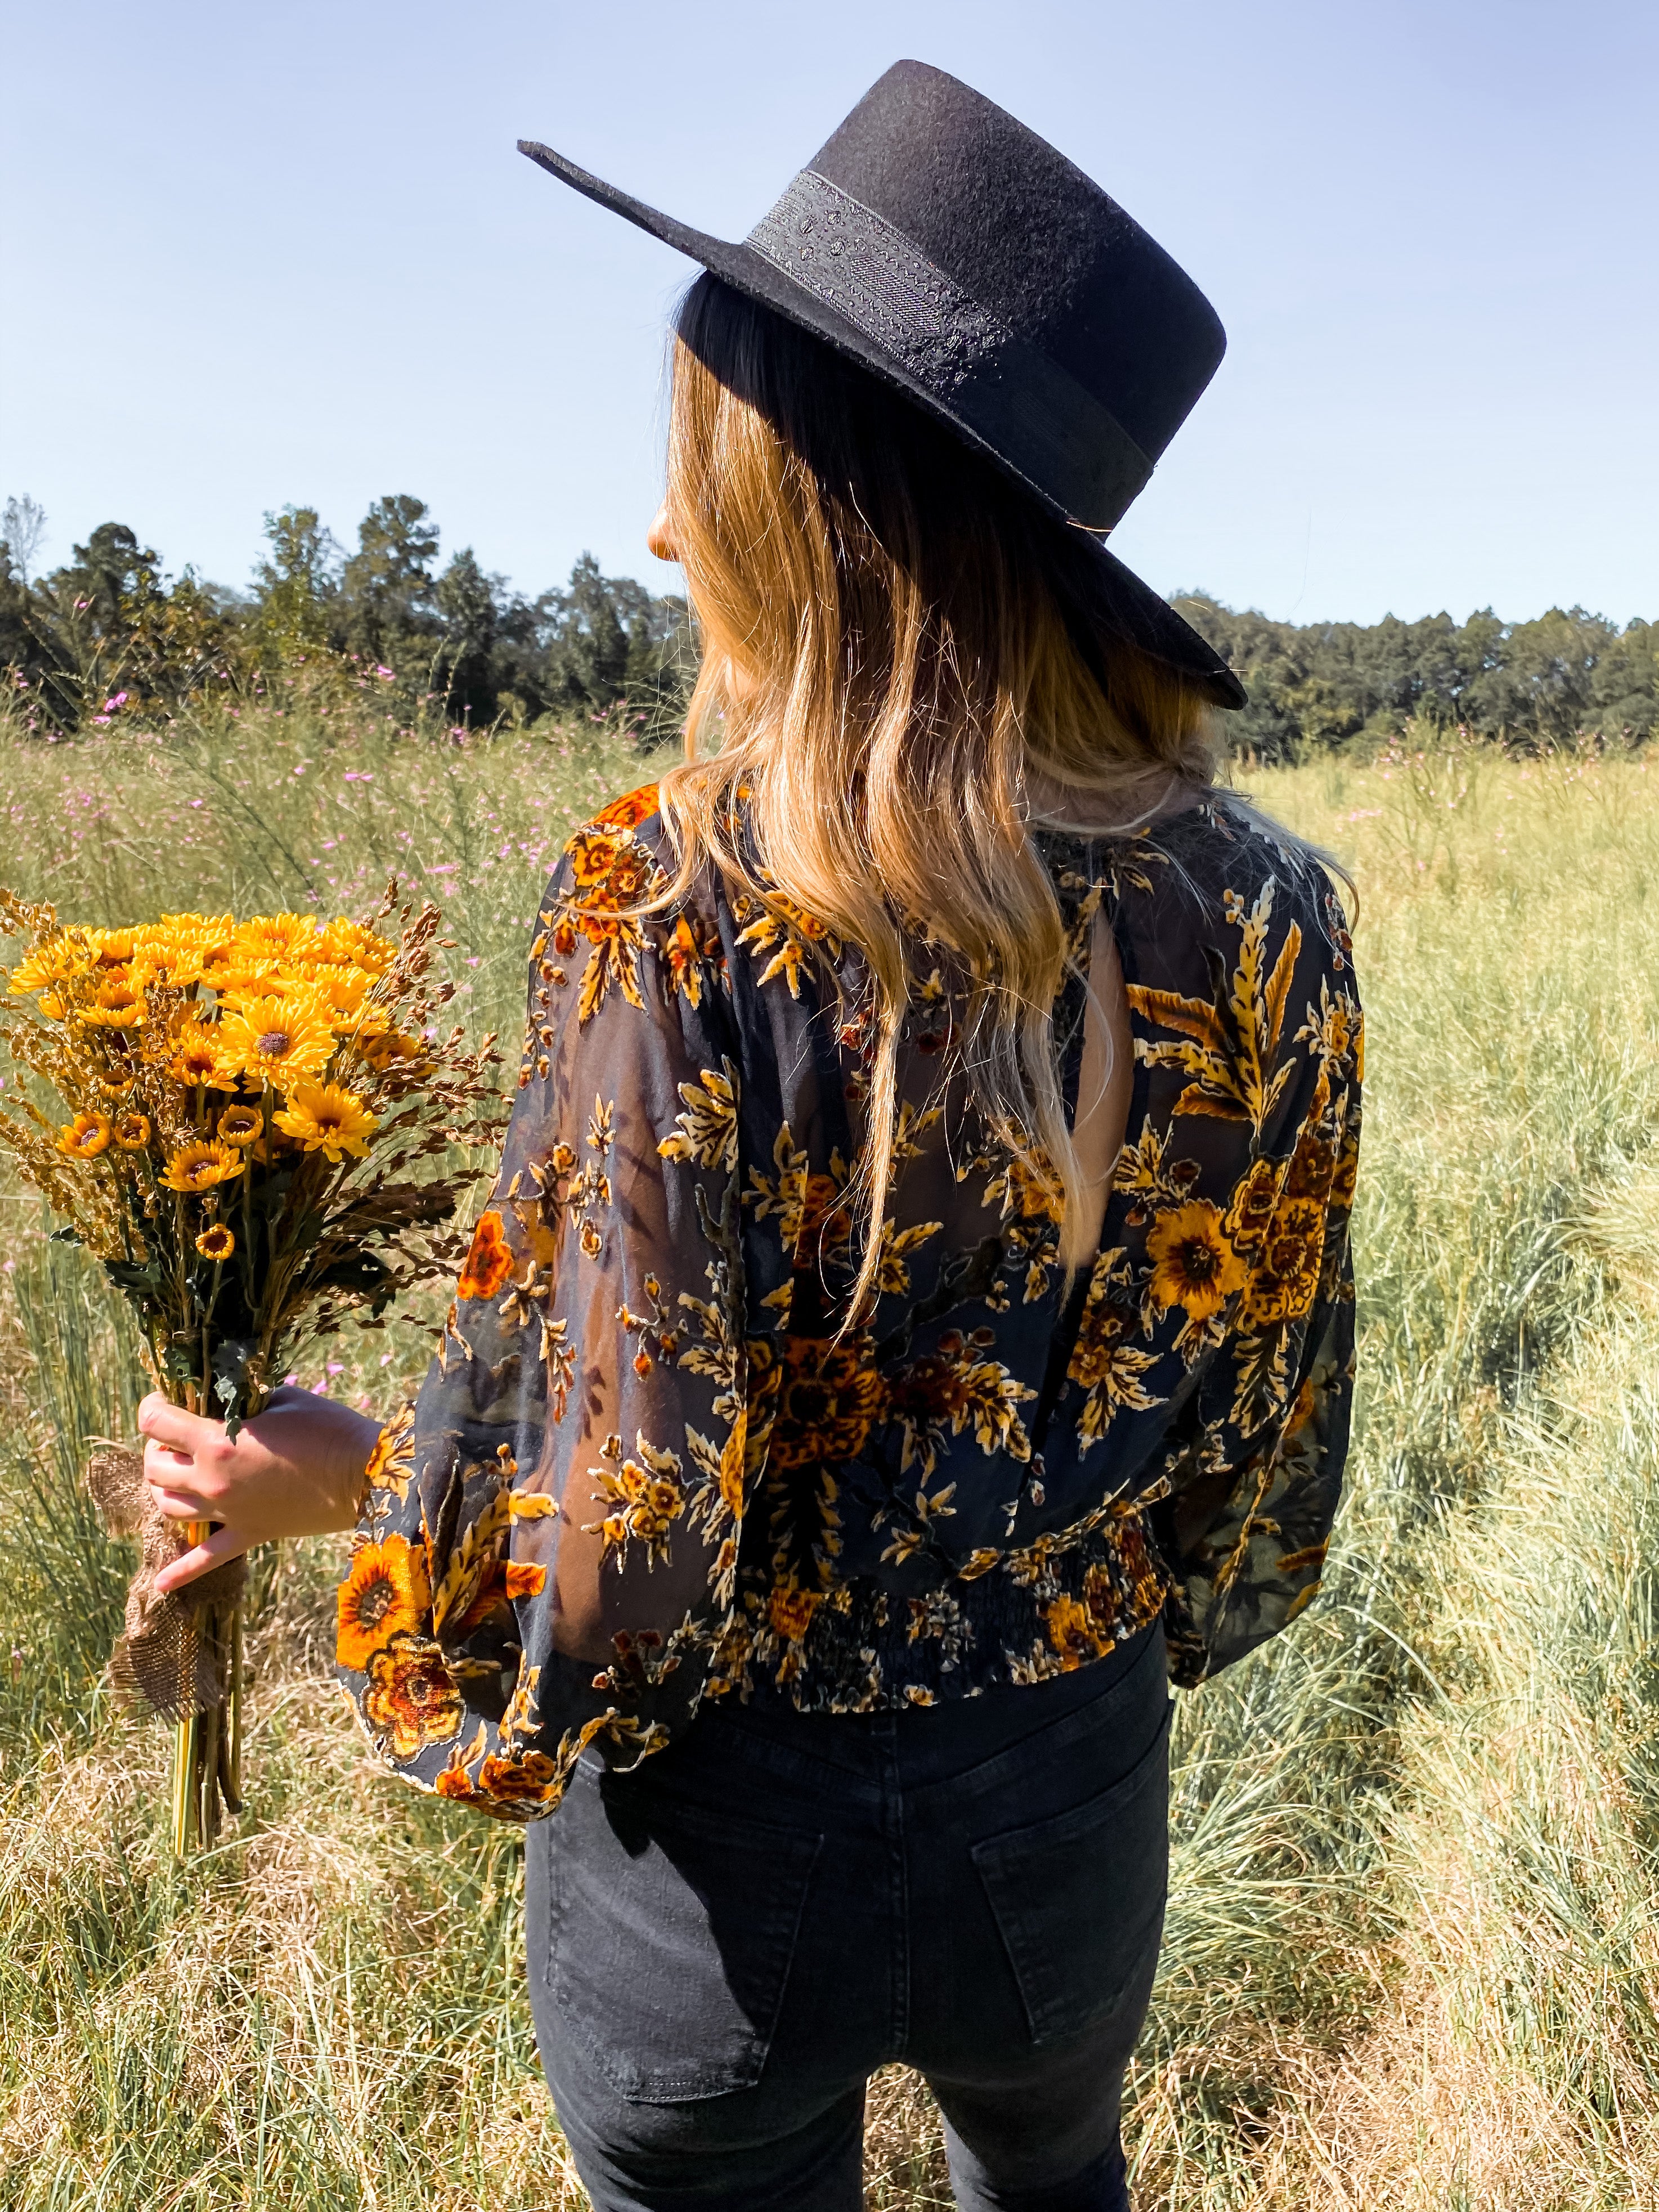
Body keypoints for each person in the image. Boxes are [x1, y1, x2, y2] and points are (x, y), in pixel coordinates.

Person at [140, 61, 1362, 2212]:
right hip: (1067, 1803)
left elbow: (625, 1530)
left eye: (695, 466)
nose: (658, 531)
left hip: (725, 1861)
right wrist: (1069, 1650)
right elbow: (1265, 1467)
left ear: (801, 500)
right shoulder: (1265, 908)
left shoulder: (668, 895)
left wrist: (347, 1487)